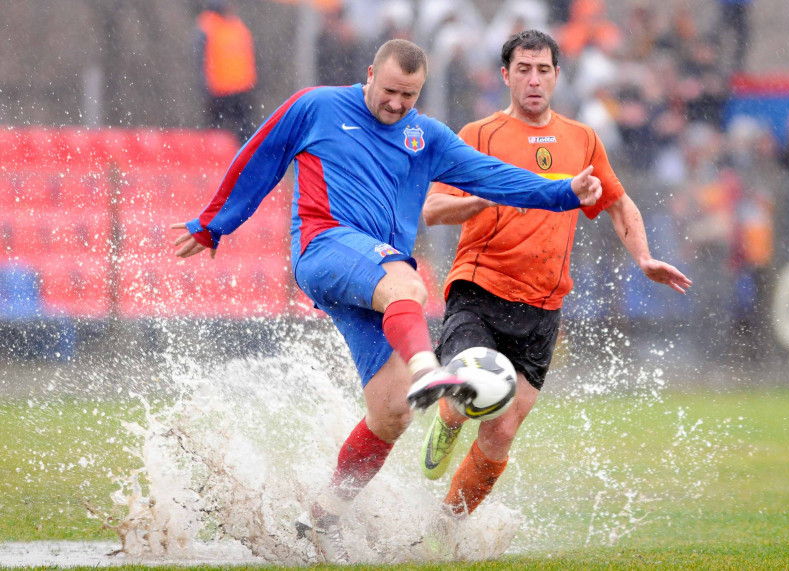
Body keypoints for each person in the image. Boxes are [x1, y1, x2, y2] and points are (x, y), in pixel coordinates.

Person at [170, 39, 601, 563]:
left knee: (393, 412)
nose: (397, 104)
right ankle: (428, 368)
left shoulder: (427, 136)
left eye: (410, 96)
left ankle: (319, 518)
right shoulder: (318, 106)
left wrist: (562, 192)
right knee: (409, 283)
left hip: (372, 282)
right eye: (391, 91)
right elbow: (259, 157)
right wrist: (214, 225)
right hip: (324, 247)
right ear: (370, 73)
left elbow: (498, 178)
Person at [419, 29, 691, 537]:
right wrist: (479, 198)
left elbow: (616, 201)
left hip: (543, 304)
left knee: (501, 430)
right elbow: (433, 210)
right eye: (523, 69)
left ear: (557, 75)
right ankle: (449, 416)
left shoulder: (582, 139)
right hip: (479, 287)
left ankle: (442, 528)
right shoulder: (478, 134)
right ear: (506, 76)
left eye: (543, 69)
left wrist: (645, 257)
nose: (534, 79)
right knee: (477, 382)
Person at [195, 0, 258, 143]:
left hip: (241, 90)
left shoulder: (237, 25)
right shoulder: (207, 26)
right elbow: (200, 61)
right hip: (218, 92)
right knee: (215, 134)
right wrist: (205, 89)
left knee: (245, 133)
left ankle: (245, 162)